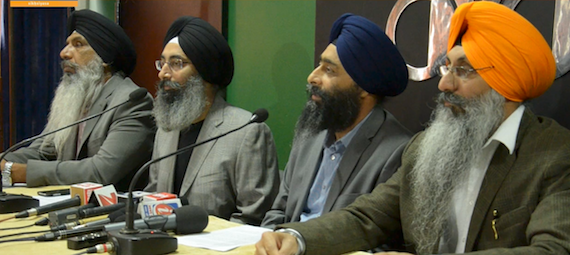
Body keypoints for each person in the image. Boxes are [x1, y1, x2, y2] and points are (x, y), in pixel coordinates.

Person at [255, 2, 570, 255]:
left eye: (463, 71)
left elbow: (552, 248)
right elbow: (368, 218)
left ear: (506, 84)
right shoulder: (424, 148)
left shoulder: (554, 154)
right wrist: (298, 238)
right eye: (447, 67)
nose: (444, 83)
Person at [261, 13, 412, 228]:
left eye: (329, 70)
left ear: (363, 88)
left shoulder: (396, 152)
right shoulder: (309, 134)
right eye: (319, 65)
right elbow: (279, 211)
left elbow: (383, 237)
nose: (312, 77)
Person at [144, 16, 280, 226]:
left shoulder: (246, 132)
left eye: (176, 64)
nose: (163, 73)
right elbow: (153, 197)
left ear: (205, 71)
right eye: (162, 63)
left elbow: (254, 216)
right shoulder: (166, 129)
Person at [1, 10, 154, 191]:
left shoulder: (132, 102)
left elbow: (100, 171)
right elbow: (43, 151)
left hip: (113, 212)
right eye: (67, 45)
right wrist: (5, 160)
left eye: (78, 45)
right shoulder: (78, 97)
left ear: (105, 58)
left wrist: (21, 172)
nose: (64, 53)